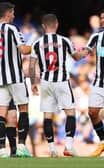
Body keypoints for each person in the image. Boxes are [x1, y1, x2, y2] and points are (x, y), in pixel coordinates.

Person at [29, 14, 87, 157]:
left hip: (46, 82)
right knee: (70, 113)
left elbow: (31, 65)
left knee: (47, 116)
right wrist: (86, 52)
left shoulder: (37, 43)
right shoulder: (64, 40)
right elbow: (76, 57)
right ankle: (68, 146)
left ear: (43, 26)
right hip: (62, 81)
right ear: (57, 24)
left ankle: (52, 149)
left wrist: (33, 83)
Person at [0, 2, 32, 157]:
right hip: (16, 77)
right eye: (13, 12)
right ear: (8, 13)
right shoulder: (13, 29)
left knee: (1, 114)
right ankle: (22, 147)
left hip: (0, 79)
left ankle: (3, 151)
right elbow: (24, 50)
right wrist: (36, 46)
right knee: (23, 109)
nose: (14, 15)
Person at [83, 9, 104, 157]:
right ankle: (102, 141)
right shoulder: (97, 34)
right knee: (92, 112)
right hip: (99, 81)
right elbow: (86, 51)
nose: (102, 20)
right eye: (101, 18)